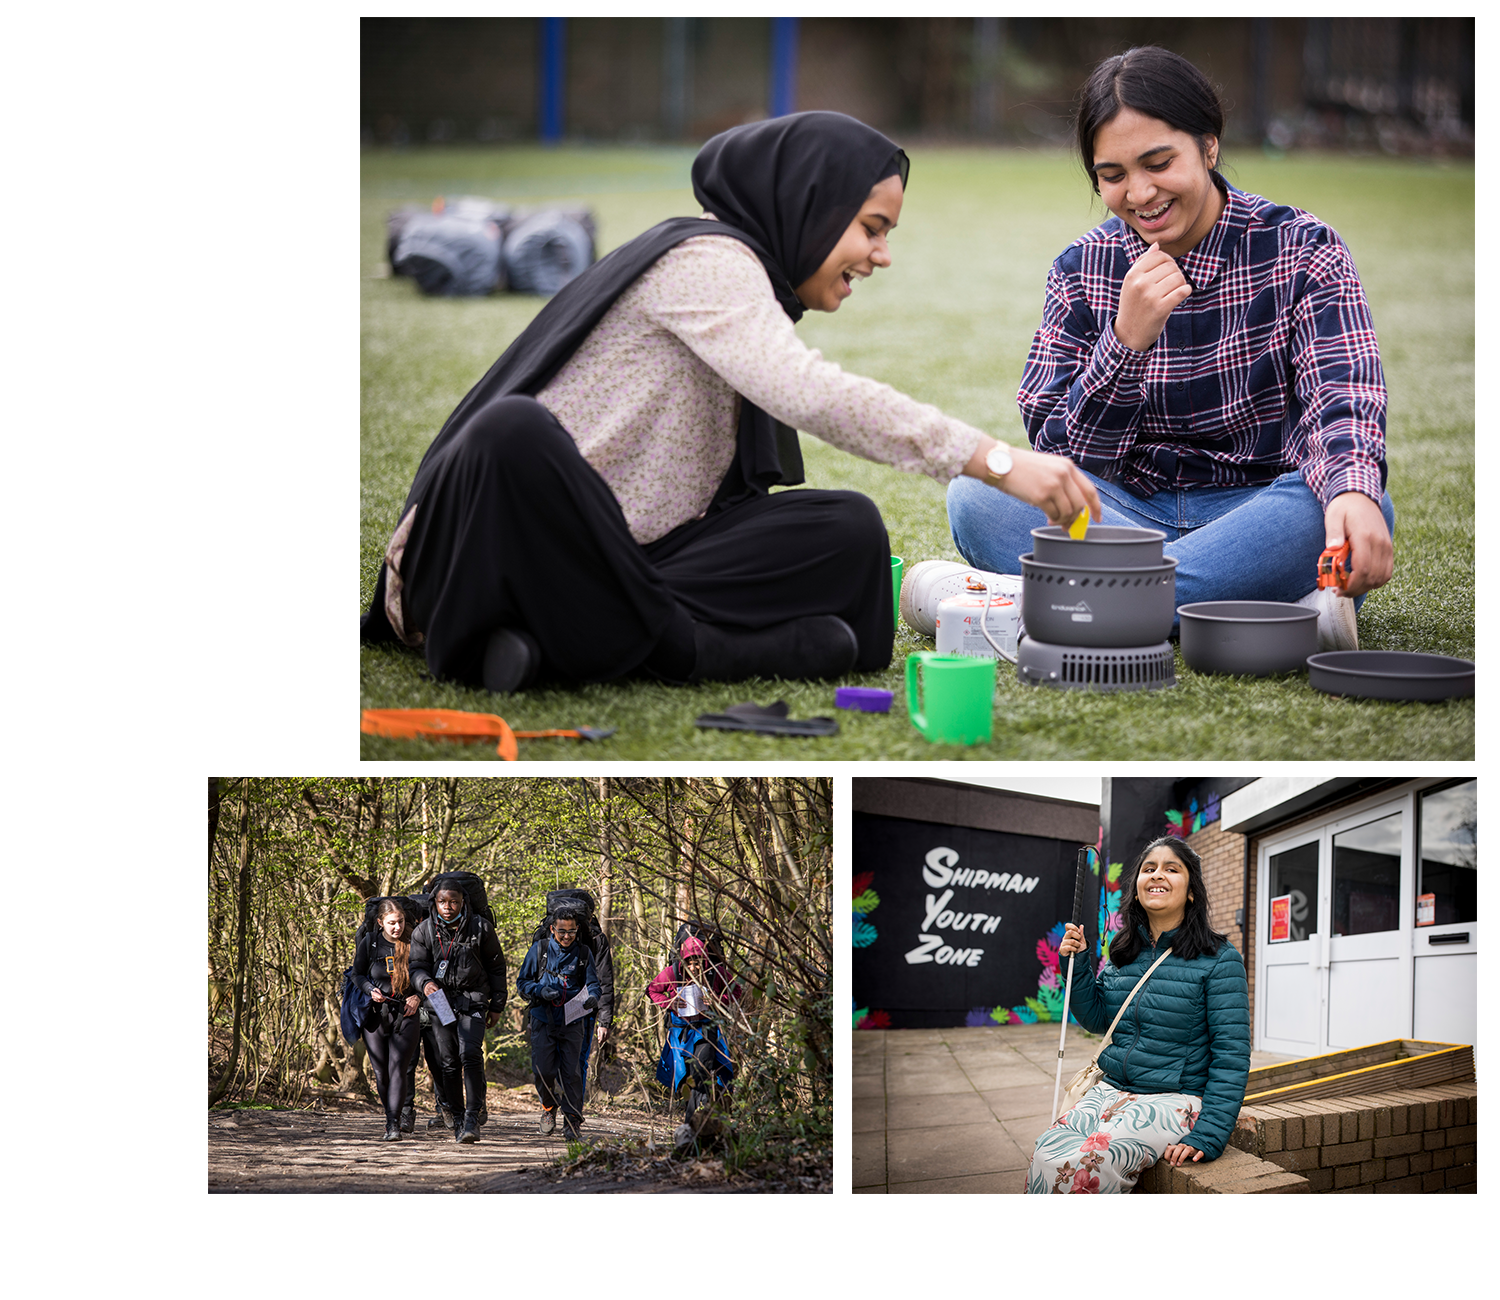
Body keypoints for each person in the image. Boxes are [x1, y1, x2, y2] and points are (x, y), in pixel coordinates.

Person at [359, 110, 1099, 693]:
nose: (882, 255)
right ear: (809, 205)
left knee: (848, 531)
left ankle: (557, 644)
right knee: (511, 434)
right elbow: (805, 390)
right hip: (491, 554)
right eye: (870, 228)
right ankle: (686, 651)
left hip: (630, 555)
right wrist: (996, 462)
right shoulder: (709, 260)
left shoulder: (753, 280)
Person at [941, 46, 1395, 651]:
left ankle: (1079, 604)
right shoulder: (1082, 267)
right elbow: (1059, 451)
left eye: (1159, 162)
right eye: (1113, 175)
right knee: (977, 494)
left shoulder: (1302, 247)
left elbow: (1343, 392)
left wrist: (1352, 492)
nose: (1140, 193)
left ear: (1209, 146)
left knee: (1353, 502)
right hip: (1121, 516)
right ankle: (1251, 608)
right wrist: (1125, 342)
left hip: (1257, 514)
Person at [1026, 836, 1249, 1194]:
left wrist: (1209, 1133)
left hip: (1174, 1098)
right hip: (1111, 1089)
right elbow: (1098, 1019)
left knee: (1089, 1164)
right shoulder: (1123, 951)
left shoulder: (1219, 958)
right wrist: (1078, 962)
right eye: (1149, 868)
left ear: (1191, 891)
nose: (1157, 875)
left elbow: (1232, 1056)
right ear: (1137, 888)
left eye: (1171, 869)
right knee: (1045, 1150)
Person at [409, 877, 508, 1144]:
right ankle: (457, 1117)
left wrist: (497, 1004)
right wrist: (425, 982)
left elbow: (497, 968)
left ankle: (473, 1117)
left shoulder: (481, 928)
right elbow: (416, 966)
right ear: (434, 903)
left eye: (454, 901)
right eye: (443, 902)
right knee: (448, 1062)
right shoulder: (424, 932)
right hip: (439, 1001)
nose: (448, 907)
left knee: (470, 1054)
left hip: (473, 998)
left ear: (463, 901)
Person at [516, 902, 601, 1141]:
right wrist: (540, 991)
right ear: (552, 929)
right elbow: (522, 982)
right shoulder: (539, 949)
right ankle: (548, 1108)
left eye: (571, 931)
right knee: (542, 1070)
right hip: (543, 1019)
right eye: (562, 931)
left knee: (572, 1073)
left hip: (574, 1021)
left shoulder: (584, 953)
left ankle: (572, 1122)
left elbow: (593, 983)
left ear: (577, 930)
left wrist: (594, 997)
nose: (566, 936)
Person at [648, 935, 743, 1123]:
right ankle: (698, 1118)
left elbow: (736, 990)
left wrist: (717, 1000)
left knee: (702, 1069)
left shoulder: (717, 973)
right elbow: (652, 990)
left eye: (697, 963)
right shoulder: (672, 973)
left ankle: (693, 1122)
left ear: (704, 961)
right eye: (688, 963)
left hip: (706, 1029)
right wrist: (670, 1002)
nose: (692, 968)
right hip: (681, 1032)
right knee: (687, 1077)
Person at [354, 899, 425, 1141]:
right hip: (375, 1015)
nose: (397, 927)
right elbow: (357, 974)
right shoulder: (370, 943)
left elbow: (429, 974)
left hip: (406, 1014)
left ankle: (393, 1123)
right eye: (392, 923)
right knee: (381, 1073)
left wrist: (417, 996)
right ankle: (390, 1118)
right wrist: (369, 990)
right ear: (380, 922)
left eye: (401, 922)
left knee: (398, 1069)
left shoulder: (415, 942)